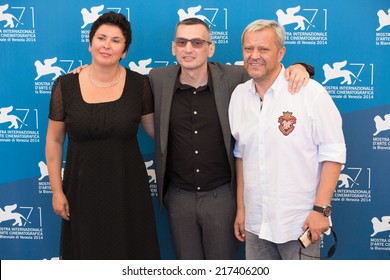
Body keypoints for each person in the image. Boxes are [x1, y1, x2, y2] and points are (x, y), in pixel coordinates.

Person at [148, 17, 314, 260]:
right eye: (182, 42)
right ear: (173, 47)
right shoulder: (158, 79)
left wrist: (300, 67)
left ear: (210, 48)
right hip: (179, 197)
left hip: (223, 197)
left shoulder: (236, 77)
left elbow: (269, 69)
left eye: (197, 42)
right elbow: (120, 85)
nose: (188, 49)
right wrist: (84, 73)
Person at [45, 12, 160, 260]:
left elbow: (157, 133)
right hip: (81, 191)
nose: (107, 45)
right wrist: (57, 191)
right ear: (90, 43)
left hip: (128, 190)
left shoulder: (140, 85)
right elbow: (54, 141)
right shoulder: (64, 86)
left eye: (116, 40)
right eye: (101, 38)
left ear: (125, 51)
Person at [228, 19, 346, 260]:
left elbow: (333, 153)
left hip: (299, 224)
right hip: (255, 224)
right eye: (249, 49)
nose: (254, 56)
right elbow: (241, 157)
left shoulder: (310, 93)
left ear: (281, 52)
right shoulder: (239, 96)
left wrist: (321, 210)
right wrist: (242, 210)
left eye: (264, 49)